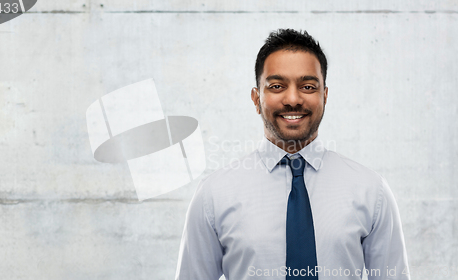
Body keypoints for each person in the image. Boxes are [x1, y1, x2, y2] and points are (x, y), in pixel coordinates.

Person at [175, 29, 410, 280]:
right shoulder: (214, 194)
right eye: (277, 86)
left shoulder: (371, 191)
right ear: (256, 99)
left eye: (307, 86)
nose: (293, 99)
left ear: (325, 96)